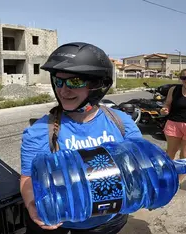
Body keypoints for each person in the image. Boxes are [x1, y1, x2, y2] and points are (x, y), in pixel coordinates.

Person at [20, 42, 142, 234]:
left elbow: (140, 165)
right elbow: (28, 177)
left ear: (98, 85)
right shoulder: (39, 131)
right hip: (64, 223)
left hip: (108, 221)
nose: (63, 90)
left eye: (74, 82)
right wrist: (31, 205)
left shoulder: (121, 122)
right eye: (58, 81)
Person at [161, 69, 186, 182]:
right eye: (184, 78)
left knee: (184, 154)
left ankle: (179, 180)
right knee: (170, 152)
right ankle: (167, 176)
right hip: (173, 124)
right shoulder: (174, 89)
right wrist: (165, 109)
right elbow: (167, 104)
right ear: (181, 79)